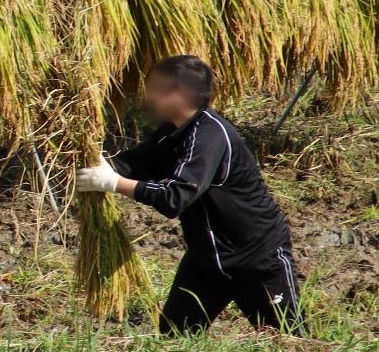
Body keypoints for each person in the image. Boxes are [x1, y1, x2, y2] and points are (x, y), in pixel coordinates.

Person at [74, 55, 305, 336]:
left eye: (155, 88)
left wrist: (114, 183)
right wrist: (90, 160)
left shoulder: (210, 135)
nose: (147, 96)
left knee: (289, 339)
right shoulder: (171, 134)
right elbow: (132, 163)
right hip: (206, 261)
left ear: (178, 94)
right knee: (175, 336)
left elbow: (176, 197)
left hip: (256, 258)